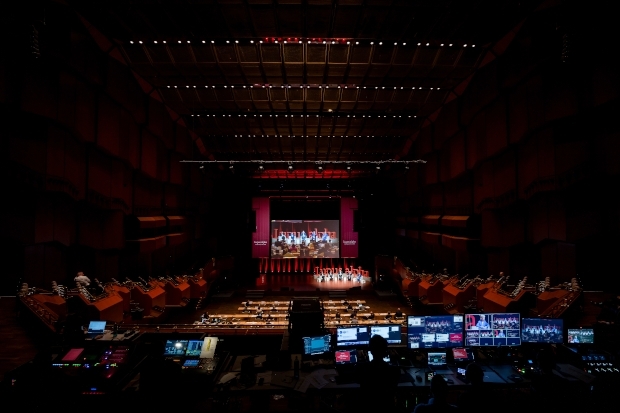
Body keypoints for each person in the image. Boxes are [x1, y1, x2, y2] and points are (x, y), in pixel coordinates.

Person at [355, 335, 400, 410]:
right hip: (387, 406)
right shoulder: (394, 370)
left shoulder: (362, 369)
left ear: (370, 350)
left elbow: (357, 380)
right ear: (386, 350)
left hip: (367, 406)